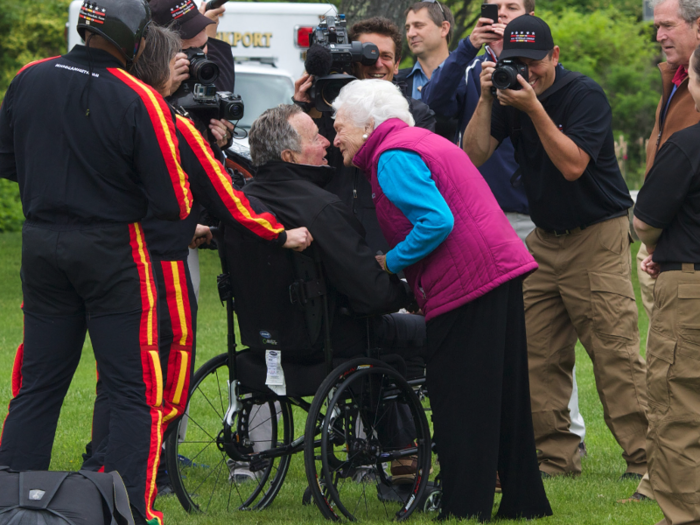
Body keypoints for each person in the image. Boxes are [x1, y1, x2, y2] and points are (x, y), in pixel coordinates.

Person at [79, 25, 312, 491]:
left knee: (120, 372)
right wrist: (278, 234)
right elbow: (225, 195)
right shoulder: (164, 117)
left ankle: (99, 465)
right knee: (166, 363)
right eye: (178, 60)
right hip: (158, 267)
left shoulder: (113, 106)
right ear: (152, 61)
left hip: (111, 254)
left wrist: (190, 225)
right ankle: (152, 468)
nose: (185, 67)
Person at [332, 79, 551, 521]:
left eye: (338, 127)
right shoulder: (418, 141)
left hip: (469, 284)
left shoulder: (391, 155)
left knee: (461, 398)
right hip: (498, 272)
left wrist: (390, 262)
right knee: (504, 396)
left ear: (367, 125)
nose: (334, 137)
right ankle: (522, 502)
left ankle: (465, 506)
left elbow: (435, 222)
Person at [0, 1, 186, 523]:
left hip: (40, 244)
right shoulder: (138, 97)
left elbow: (6, 160)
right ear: (135, 40)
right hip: (111, 247)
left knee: (38, 383)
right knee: (132, 388)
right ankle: (125, 509)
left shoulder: (29, 77)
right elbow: (172, 198)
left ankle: (11, 502)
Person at [463, 15, 648, 479]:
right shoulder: (507, 92)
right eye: (515, 63)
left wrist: (533, 108)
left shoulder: (583, 95)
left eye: (535, 62)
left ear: (555, 56)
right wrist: (487, 97)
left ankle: (648, 459)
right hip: (545, 239)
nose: (527, 71)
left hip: (597, 234)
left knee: (613, 354)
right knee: (536, 354)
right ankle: (554, 459)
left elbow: (572, 166)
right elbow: (473, 155)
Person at [421, 0, 587, 454]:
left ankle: (570, 429)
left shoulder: (544, 71)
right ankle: (518, 431)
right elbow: (433, 108)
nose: (503, 14)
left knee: (550, 333)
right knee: (508, 330)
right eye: (496, 7)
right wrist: (469, 55)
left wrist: (526, 92)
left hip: (529, 214)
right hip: (480, 216)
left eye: (513, 6)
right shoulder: (477, 66)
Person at [620, 0, 700, 505]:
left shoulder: (691, 137)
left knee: (676, 394)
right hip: (677, 254)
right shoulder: (671, 84)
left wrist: (657, 243)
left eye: (668, 25)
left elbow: (648, 215)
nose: (659, 35)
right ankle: (658, 483)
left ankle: (681, 507)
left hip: (684, 272)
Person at [294, 17, 435, 254]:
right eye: (367, 56)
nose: (377, 64)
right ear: (351, 63)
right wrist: (304, 108)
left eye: (386, 57)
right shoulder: (326, 109)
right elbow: (300, 167)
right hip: (332, 237)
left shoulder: (417, 114)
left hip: (390, 240)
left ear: (397, 64)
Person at [398, 1, 454, 100]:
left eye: (418, 26)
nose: (410, 34)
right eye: (407, 28)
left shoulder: (470, 76)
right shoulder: (396, 82)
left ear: (444, 29)